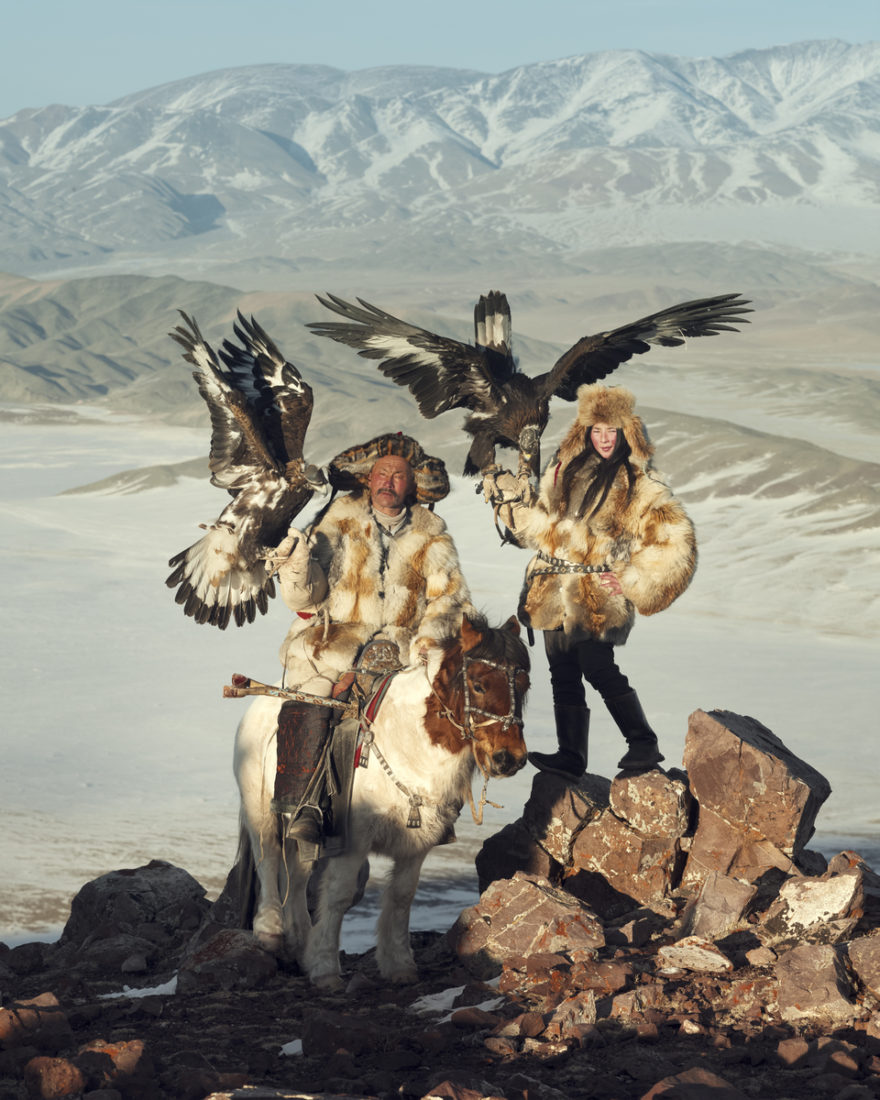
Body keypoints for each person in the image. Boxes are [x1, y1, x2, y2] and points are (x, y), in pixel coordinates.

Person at [266, 432, 474, 843]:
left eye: (399, 475)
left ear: (413, 484)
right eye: (381, 473)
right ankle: (303, 805)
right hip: (336, 637)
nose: (388, 482)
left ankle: (441, 806)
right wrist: (295, 566)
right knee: (314, 700)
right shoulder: (339, 519)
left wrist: (427, 641)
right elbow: (311, 593)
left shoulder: (432, 535)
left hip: (404, 645)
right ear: (368, 479)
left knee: (454, 701)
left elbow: (448, 598)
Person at [482, 383, 696, 781]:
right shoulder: (564, 471)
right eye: (596, 430)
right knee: (561, 673)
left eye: (611, 431)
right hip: (550, 589)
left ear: (626, 432)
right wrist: (510, 507)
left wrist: (633, 580)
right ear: (584, 431)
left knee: (598, 667)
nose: (603, 439)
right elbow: (544, 527)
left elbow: (675, 541)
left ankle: (643, 742)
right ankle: (571, 755)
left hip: (596, 594)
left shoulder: (640, 484)